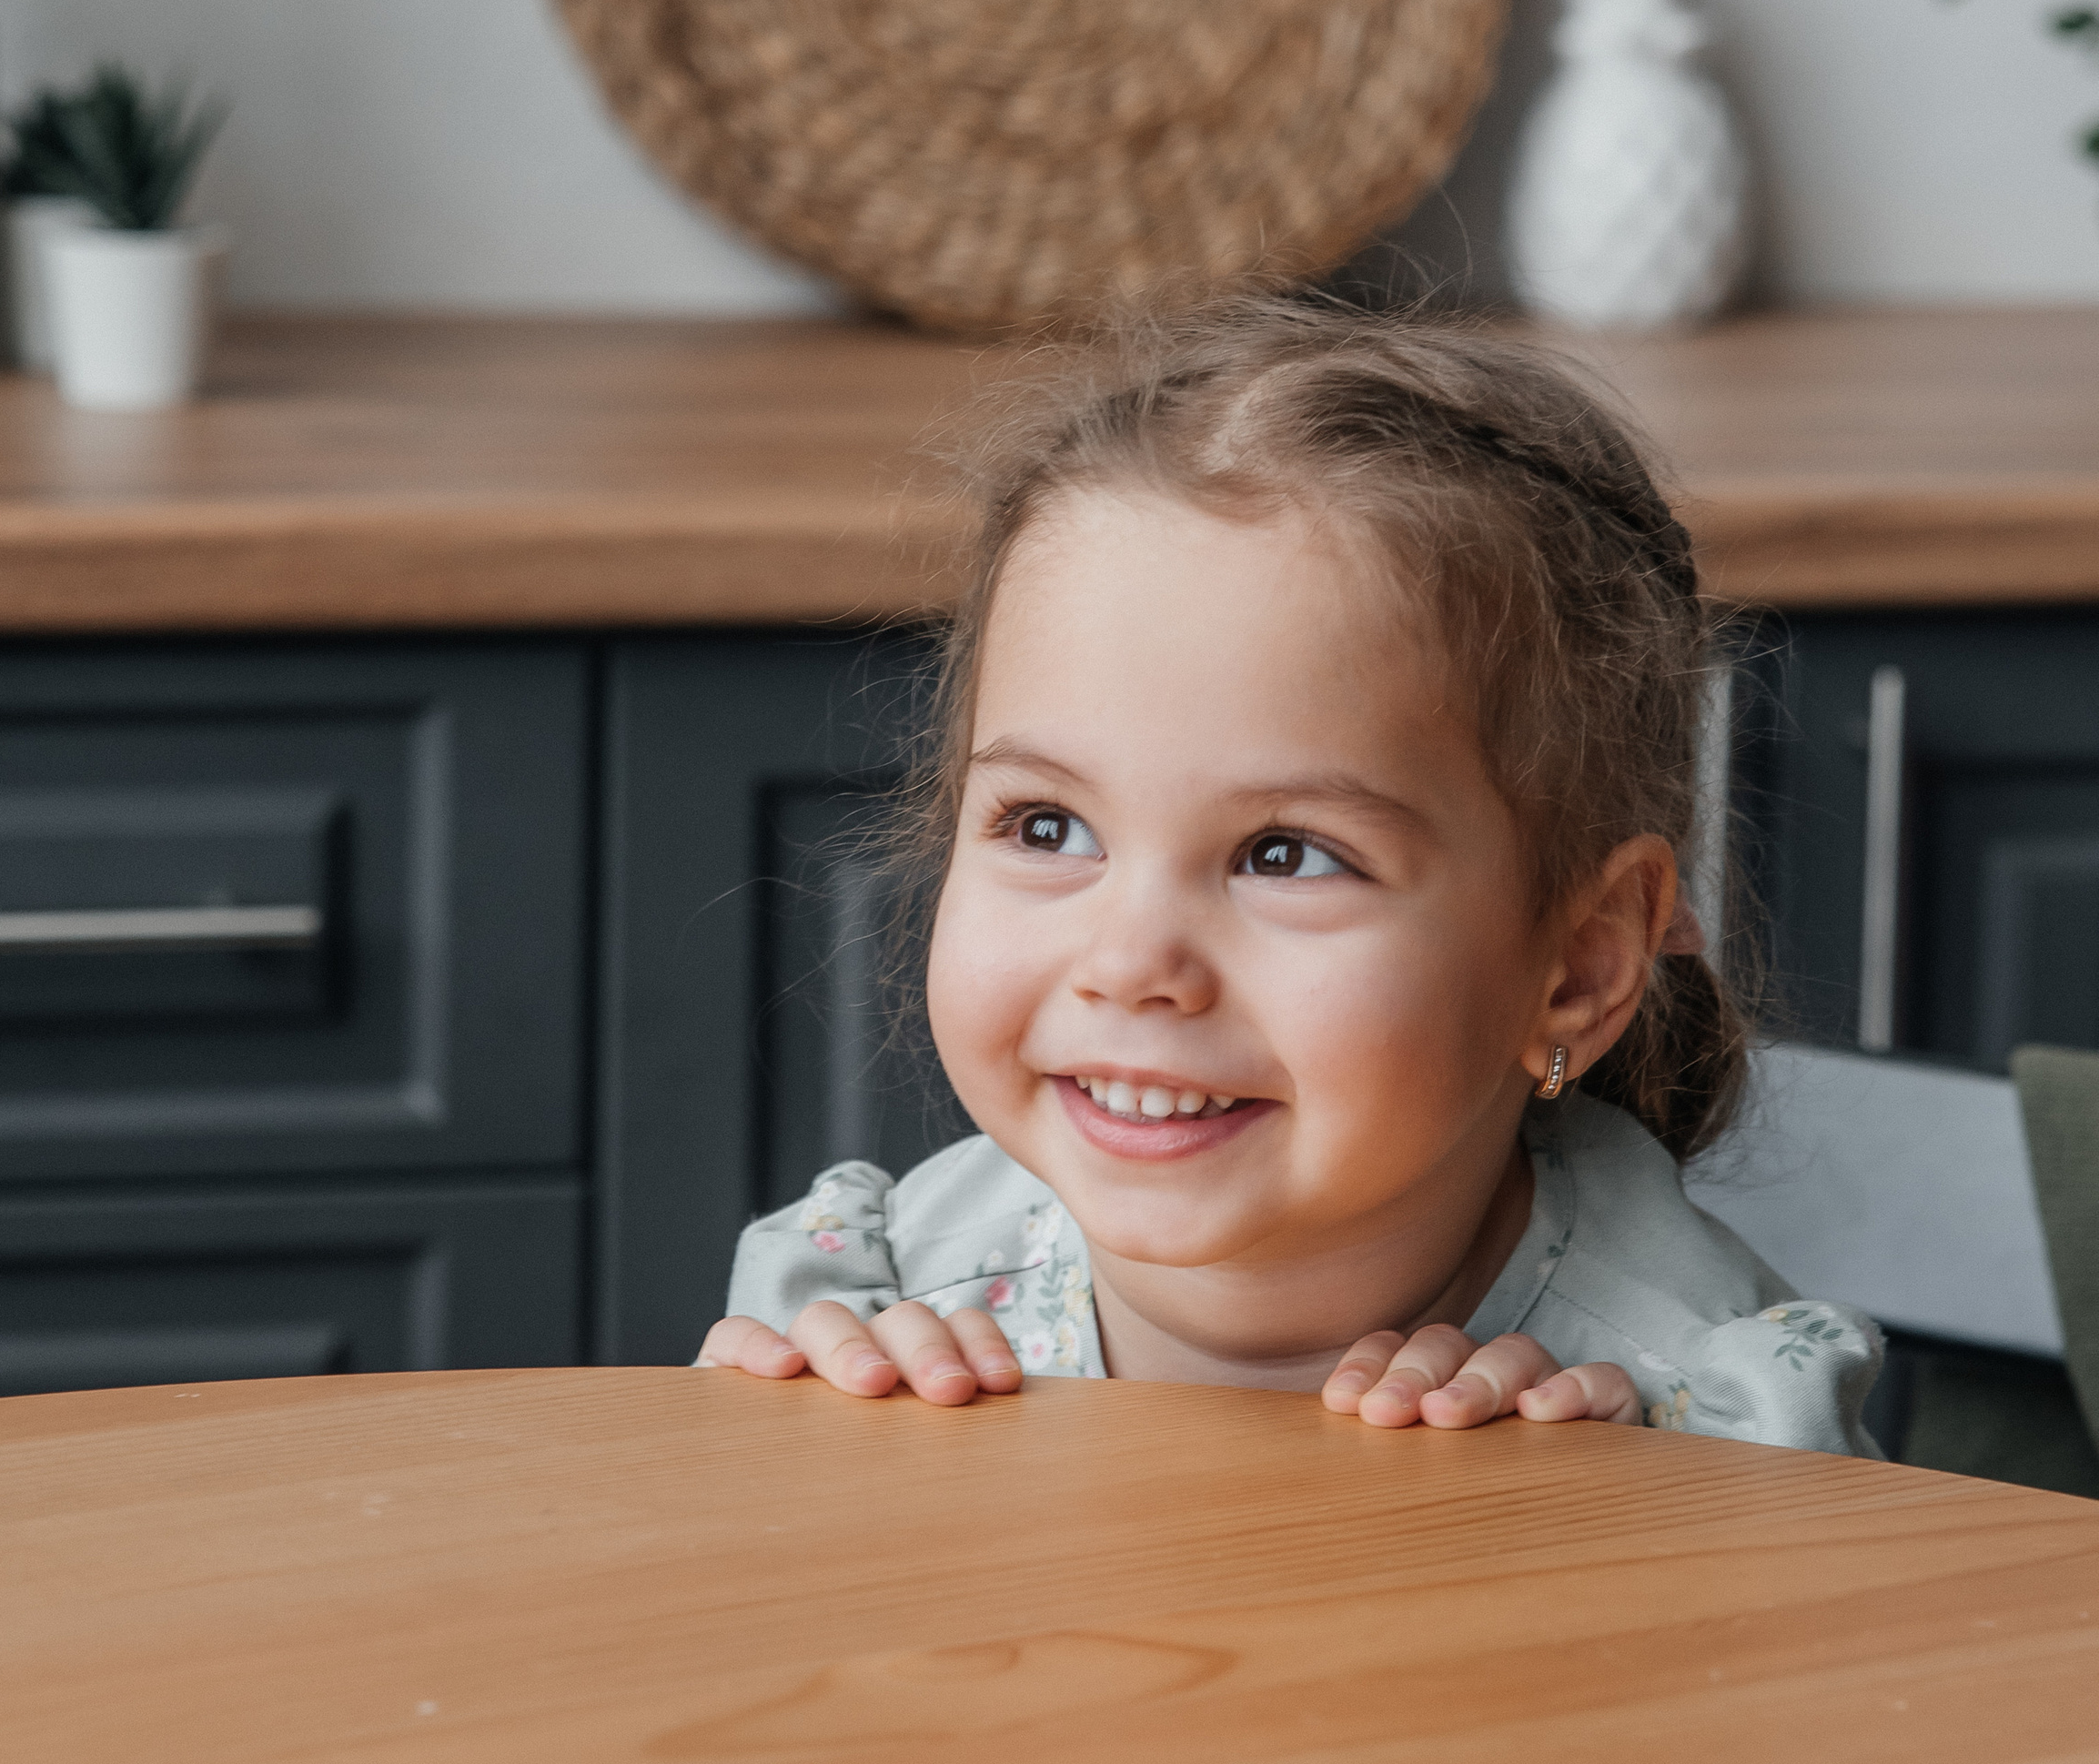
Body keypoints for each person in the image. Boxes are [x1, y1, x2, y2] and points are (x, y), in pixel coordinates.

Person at [699, 294, 1882, 1454]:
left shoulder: (1699, 1422)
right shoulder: (876, 1298)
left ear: (1577, 967)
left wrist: (1622, 1524)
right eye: (1048, 827)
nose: (1130, 963)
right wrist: (789, 1476)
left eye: (1287, 856)